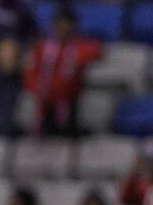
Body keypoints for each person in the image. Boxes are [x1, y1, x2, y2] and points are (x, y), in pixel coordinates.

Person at [24, 8, 102, 137]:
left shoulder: (79, 47)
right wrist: (38, 88)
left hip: (69, 100)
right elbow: (32, 73)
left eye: (67, 25)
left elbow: (96, 52)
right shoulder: (43, 47)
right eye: (60, 24)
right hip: (45, 100)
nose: (63, 28)